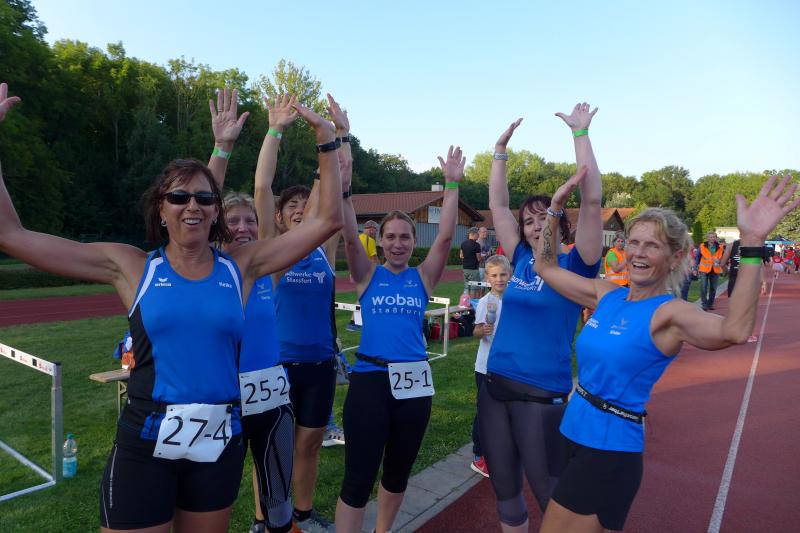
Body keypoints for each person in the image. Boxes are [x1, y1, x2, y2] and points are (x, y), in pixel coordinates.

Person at [0, 83, 342, 533]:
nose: (191, 206)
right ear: (161, 210)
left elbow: (327, 220)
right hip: (146, 440)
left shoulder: (243, 266)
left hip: (218, 442)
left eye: (204, 199)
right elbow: (12, 235)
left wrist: (328, 141)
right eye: (178, 198)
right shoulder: (131, 266)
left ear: (215, 212)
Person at [533, 171, 798, 532]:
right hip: (574, 431)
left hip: (607, 447)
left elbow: (734, 330)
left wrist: (751, 244)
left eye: (652, 245)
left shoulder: (669, 313)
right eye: (634, 242)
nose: (639, 253)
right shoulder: (606, 294)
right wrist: (555, 210)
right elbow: (544, 266)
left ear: (675, 258)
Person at [482, 102, 603, 533]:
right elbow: (498, 205)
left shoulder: (577, 265)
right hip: (495, 389)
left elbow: (592, 201)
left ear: (561, 224)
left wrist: (580, 135)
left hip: (541, 398)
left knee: (553, 495)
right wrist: (499, 152)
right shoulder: (519, 259)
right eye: (529, 221)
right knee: (505, 491)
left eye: (544, 218)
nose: (536, 226)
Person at [334, 145, 465, 533]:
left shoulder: (422, 277)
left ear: (412, 241)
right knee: (358, 477)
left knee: (397, 472)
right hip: (370, 381)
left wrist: (452, 185)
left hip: (414, 385)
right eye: (390, 236)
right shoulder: (366, 274)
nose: (397, 243)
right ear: (380, 240)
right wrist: (345, 189)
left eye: (405, 237)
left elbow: (445, 237)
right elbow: (349, 235)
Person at [213, 92, 300, 533]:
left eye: (250, 221)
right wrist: (222, 148)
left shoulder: (267, 268)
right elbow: (205, 198)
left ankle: (272, 525)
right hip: (220, 399)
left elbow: (264, 190)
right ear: (218, 226)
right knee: (212, 498)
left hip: (271, 398)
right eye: (234, 221)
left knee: (278, 495)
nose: (244, 227)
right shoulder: (206, 272)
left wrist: (275, 132)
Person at [265, 94, 351, 533]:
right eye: (292, 209)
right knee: (273, 448)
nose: (301, 212)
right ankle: (269, 517)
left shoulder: (323, 250)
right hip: (279, 363)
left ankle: (301, 513)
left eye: (306, 207)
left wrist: (341, 136)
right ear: (279, 219)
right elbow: (263, 189)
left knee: (310, 443)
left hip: (319, 364)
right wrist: (275, 131)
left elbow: (336, 186)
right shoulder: (274, 254)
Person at [470, 254, 512, 478]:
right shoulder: (486, 302)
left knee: (503, 411)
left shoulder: (513, 299)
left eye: (503, 274)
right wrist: (482, 330)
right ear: (487, 278)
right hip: (486, 366)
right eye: (494, 275)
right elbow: (475, 331)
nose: (499, 279)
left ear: (510, 275)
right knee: (485, 411)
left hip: (507, 366)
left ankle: (498, 451)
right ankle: (479, 456)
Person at [697, 231, 724, 310]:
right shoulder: (702, 246)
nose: (712, 238)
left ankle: (710, 304)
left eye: (714, 237)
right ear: (707, 238)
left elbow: (723, 257)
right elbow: (697, 257)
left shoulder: (720, 247)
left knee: (713, 288)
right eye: (711, 237)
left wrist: (719, 261)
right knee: (703, 287)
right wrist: (695, 268)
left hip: (715, 269)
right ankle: (704, 304)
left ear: (716, 238)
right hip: (704, 269)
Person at [460, 227, 483, 298]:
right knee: (474, 288)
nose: (478, 236)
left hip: (465, 268)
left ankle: (465, 302)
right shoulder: (476, 245)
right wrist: (483, 256)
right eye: (477, 234)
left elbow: (461, 256)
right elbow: (478, 258)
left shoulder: (463, 244)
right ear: (473, 234)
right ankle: (472, 303)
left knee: (466, 287)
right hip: (473, 270)